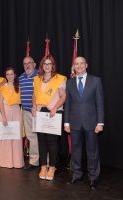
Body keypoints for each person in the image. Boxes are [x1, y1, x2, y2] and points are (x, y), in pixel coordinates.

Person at [65, 56, 104, 190]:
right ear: (74, 67)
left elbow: (100, 104)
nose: (79, 66)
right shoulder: (69, 83)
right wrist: (66, 123)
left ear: (86, 65)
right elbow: (68, 105)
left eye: (82, 63)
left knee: (92, 151)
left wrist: (100, 122)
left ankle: (93, 177)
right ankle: (76, 174)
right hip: (74, 123)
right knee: (75, 150)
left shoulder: (96, 81)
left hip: (92, 123)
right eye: (77, 64)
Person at [32, 55, 67, 180]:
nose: (47, 66)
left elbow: (63, 96)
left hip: (53, 112)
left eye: (49, 63)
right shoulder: (37, 79)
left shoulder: (60, 78)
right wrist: (33, 106)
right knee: (41, 141)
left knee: (52, 142)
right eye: (45, 64)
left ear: (53, 65)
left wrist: (55, 108)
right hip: (40, 112)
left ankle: (52, 167)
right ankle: (43, 166)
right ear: (42, 66)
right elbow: (34, 95)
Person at [0, 68, 24, 168]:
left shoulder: (19, 86)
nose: (9, 76)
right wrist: (3, 117)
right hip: (5, 111)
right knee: (6, 137)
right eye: (7, 74)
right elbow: (0, 102)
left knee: (16, 137)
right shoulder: (2, 87)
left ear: (15, 75)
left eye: (11, 74)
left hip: (16, 111)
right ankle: (6, 162)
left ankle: (17, 162)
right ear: (5, 76)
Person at [19, 56, 39, 169]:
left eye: (29, 63)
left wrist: (35, 106)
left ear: (34, 64)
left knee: (42, 136)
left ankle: (46, 162)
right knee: (31, 136)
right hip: (26, 111)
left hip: (38, 111)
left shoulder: (40, 76)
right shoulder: (21, 77)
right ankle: (33, 161)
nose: (27, 65)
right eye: (25, 63)